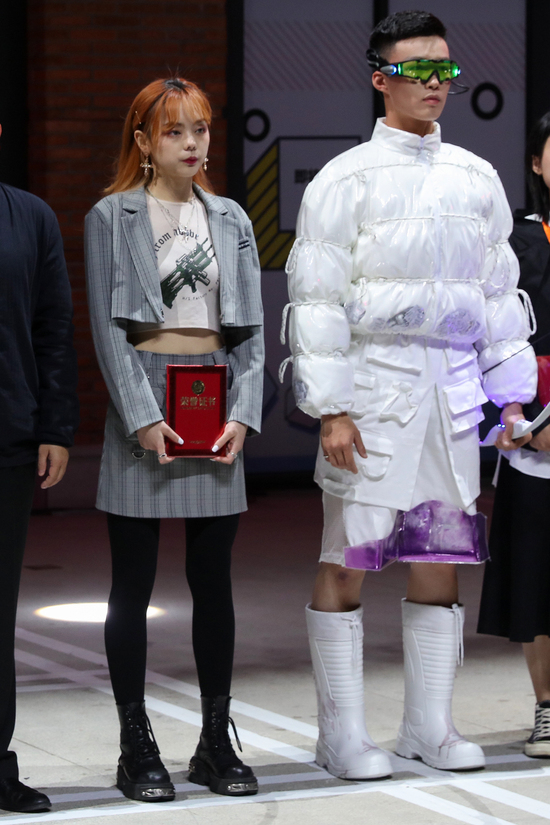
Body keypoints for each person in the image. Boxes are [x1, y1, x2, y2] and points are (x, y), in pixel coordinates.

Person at [282, 10, 537, 780]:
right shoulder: (345, 178)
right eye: (418, 69)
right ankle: (340, 735)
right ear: (380, 77)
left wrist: (513, 397)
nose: (435, 83)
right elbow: (316, 296)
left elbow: (498, 292)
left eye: (444, 70)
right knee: (349, 555)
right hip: (372, 391)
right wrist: (331, 407)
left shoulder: (476, 176)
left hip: (450, 392)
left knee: (440, 551)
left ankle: (429, 727)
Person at [85, 78, 264, 801]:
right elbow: (107, 327)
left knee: (213, 577)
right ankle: (136, 744)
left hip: (213, 396)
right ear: (143, 142)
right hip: (145, 396)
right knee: (132, 582)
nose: (192, 143)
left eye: (201, 129)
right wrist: (140, 414)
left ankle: (215, 741)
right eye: (174, 131)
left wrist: (244, 413)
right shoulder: (112, 215)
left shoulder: (231, 216)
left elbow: (249, 330)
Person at [0, 125, 78, 812]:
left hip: (8, 440)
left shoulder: (29, 215)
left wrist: (55, 426)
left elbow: (55, 328)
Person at [478, 112, 550, 758]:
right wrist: (518, 413)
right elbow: (500, 333)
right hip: (535, 425)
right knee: (538, 579)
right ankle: (547, 708)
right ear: (536, 163)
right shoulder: (517, 241)